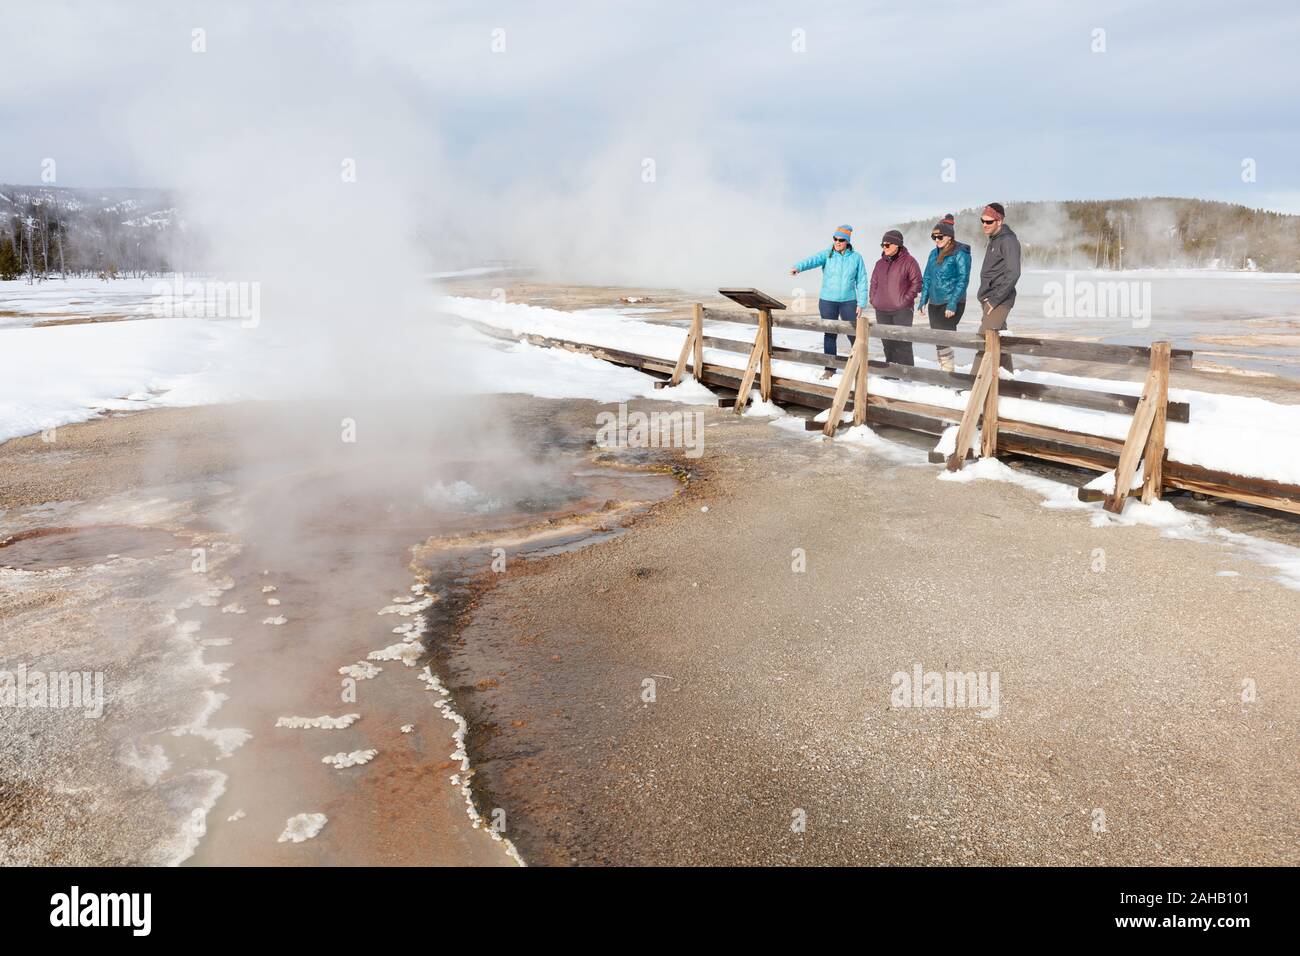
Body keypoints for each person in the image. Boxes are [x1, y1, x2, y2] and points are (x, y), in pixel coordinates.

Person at [790, 224, 868, 380]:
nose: (837, 242)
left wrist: (862, 303)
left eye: (841, 240)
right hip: (827, 301)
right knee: (830, 334)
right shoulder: (828, 254)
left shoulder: (856, 257)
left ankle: (858, 366)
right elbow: (812, 260)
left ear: (847, 241)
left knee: (853, 334)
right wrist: (798, 267)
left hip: (849, 301)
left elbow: (862, 280)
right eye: (835, 239)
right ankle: (830, 368)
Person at [915, 213, 971, 371]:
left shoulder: (960, 253)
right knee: (938, 340)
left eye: (940, 237)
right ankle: (944, 372)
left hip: (952, 302)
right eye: (934, 237)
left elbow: (963, 280)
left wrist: (952, 304)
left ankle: (948, 374)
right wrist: (923, 300)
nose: (937, 240)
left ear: (949, 237)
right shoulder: (933, 254)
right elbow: (927, 278)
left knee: (945, 338)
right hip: (934, 302)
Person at [974, 202, 1020, 374]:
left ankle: (972, 386)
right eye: (983, 221)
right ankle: (1009, 380)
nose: (985, 225)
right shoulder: (994, 239)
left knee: (983, 341)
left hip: (999, 300)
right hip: (989, 299)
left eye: (989, 222)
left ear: (999, 221)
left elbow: (1014, 272)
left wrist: (994, 299)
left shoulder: (1008, 241)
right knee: (1000, 341)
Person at [868, 229, 922, 366]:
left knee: (903, 343)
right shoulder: (879, 263)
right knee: (887, 343)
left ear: (897, 245)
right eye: (882, 245)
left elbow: (917, 283)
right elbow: (873, 283)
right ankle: (890, 372)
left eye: (887, 245)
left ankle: (906, 373)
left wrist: (904, 301)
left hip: (902, 310)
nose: (884, 247)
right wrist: (874, 300)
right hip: (881, 310)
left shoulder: (909, 261)